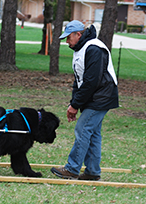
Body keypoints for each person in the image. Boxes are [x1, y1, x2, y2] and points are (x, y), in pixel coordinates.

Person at [50, 20, 119, 180]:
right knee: (93, 133)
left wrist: (75, 105)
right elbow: (79, 80)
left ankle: (72, 169)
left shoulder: (94, 48)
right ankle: (92, 172)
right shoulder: (81, 49)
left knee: (82, 129)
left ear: (78, 34)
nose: (67, 42)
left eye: (68, 38)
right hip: (95, 96)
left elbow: (91, 81)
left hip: (102, 97)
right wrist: (74, 103)